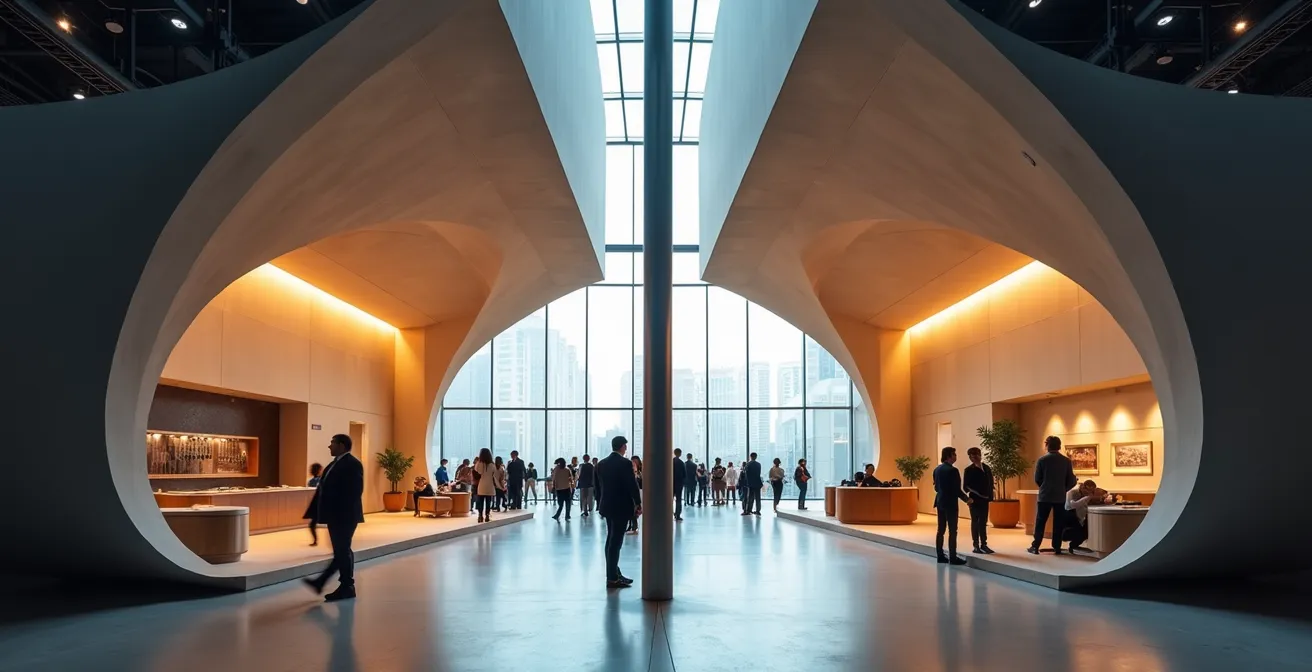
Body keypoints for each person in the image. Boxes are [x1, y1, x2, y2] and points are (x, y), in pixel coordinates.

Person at [303, 434, 364, 601]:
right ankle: (341, 585)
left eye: (332, 443)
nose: (329, 446)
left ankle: (343, 585)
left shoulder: (352, 464)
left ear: (342, 445)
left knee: (342, 550)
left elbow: (354, 492)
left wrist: (340, 512)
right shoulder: (333, 465)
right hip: (335, 516)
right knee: (342, 550)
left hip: (344, 516)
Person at [594, 436, 642, 588]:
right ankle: (612, 577)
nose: (626, 449)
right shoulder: (625, 463)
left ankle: (614, 572)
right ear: (622, 447)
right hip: (621, 506)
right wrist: (638, 503)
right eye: (625, 446)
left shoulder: (601, 464)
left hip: (607, 506)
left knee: (610, 539)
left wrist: (600, 503)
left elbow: (597, 487)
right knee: (616, 542)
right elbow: (632, 485)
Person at [1029, 435, 1077, 555]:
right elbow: (1071, 480)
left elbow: (1037, 479)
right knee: (1058, 522)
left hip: (1045, 496)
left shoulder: (1042, 460)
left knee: (1040, 521)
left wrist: (1044, 487)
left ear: (1047, 445)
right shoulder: (1066, 461)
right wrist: (1063, 489)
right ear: (1059, 446)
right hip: (1060, 497)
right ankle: (1057, 547)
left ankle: (1035, 546)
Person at [932, 446, 971, 565]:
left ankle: (940, 555)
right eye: (954, 454)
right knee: (953, 530)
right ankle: (953, 557)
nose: (956, 456)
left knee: (941, 530)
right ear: (949, 456)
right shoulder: (953, 471)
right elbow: (956, 490)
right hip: (950, 503)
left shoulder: (937, 469)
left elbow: (935, 487)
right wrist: (967, 499)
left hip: (940, 501)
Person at [962, 447, 995, 554]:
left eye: (975, 455)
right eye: (971, 456)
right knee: (975, 522)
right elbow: (966, 486)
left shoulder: (986, 468)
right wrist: (979, 495)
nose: (973, 458)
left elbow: (990, 483)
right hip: (975, 500)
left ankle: (984, 544)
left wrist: (990, 494)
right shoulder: (968, 470)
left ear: (980, 455)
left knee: (983, 522)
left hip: (985, 500)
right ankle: (976, 545)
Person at [1065, 479, 1109, 553]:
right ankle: (1072, 545)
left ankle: (1074, 545)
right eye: (1089, 491)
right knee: (1079, 532)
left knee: (1087, 531)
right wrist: (1088, 497)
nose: (1090, 493)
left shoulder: (1086, 495)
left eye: (1092, 491)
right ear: (1083, 487)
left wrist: (1103, 499)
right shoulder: (1072, 493)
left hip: (1081, 515)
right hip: (1070, 514)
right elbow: (1073, 505)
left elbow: (1087, 504)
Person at [472, 448, 496, 523]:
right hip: (490, 485)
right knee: (488, 502)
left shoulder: (479, 464)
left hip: (481, 485)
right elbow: (494, 474)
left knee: (480, 502)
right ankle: (487, 516)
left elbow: (477, 471)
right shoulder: (492, 465)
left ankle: (480, 516)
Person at [303, 462, 323, 546]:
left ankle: (315, 541)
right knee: (313, 524)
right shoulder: (320, 480)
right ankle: (315, 541)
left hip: (317, 505)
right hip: (319, 505)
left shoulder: (313, 481)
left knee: (312, 524)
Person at [628, 455, 643, 533]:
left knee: (636, 509)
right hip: (632, 492)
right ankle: (633, 525)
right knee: (633, 509)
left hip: (640, 491)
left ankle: (634, 525)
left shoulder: (641, 470)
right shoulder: (630, 470)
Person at [577, 453, 596, 517]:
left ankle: (585, 510)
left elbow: (579, 475)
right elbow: (593, 476)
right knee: (589, 497)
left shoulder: (581, 466)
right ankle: (589, 509)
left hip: (583, 484)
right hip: (590, 484)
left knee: (583, 498)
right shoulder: (591, 466)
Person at [672, 448, 686, 522]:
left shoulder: (670, 462)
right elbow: (684, 474)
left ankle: (668, 513)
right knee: (678, 499)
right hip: (679, 484)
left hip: (671, 483)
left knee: (669, 500)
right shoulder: (681, 463)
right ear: (680, 454)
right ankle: (677, 515)